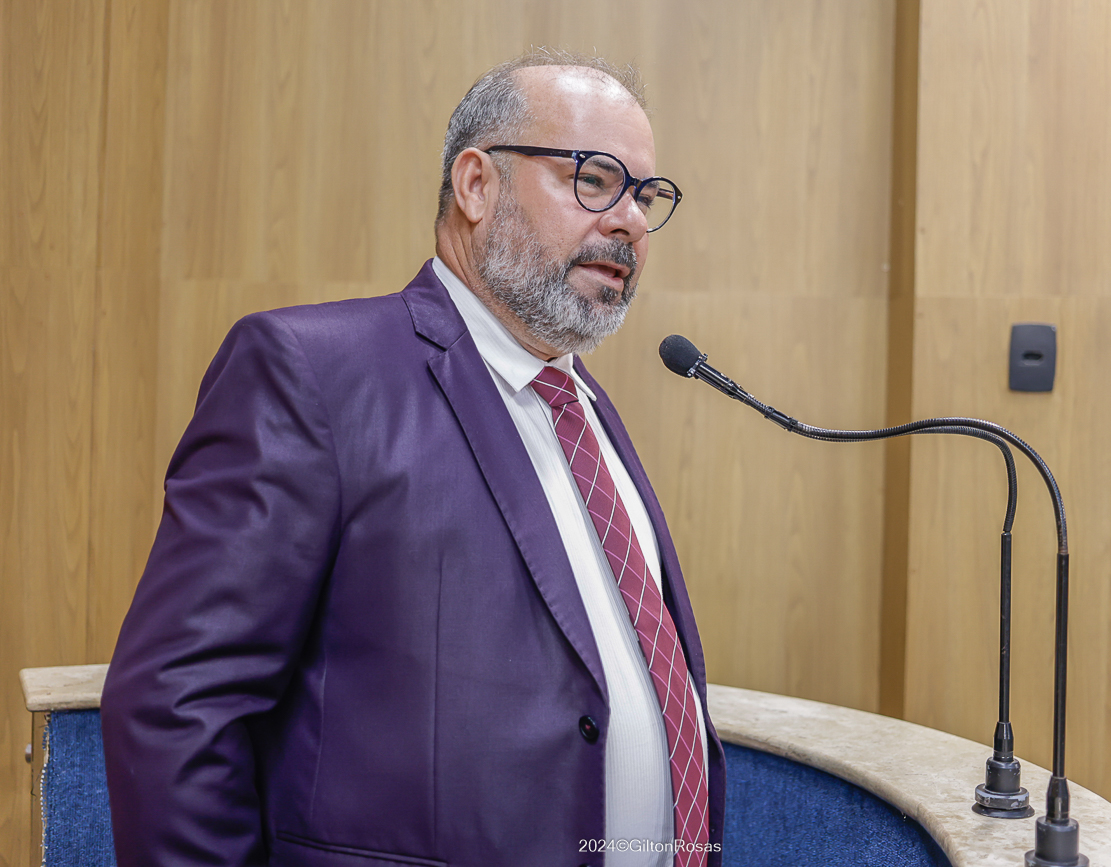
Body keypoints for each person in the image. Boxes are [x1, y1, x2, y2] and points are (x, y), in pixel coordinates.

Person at [101, 50, 724, 867]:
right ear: (476, 184)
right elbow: (176, 704)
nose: (631, 220)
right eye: (596, 179)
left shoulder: (586, 409)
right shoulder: (312, 373)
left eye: (646, 195)